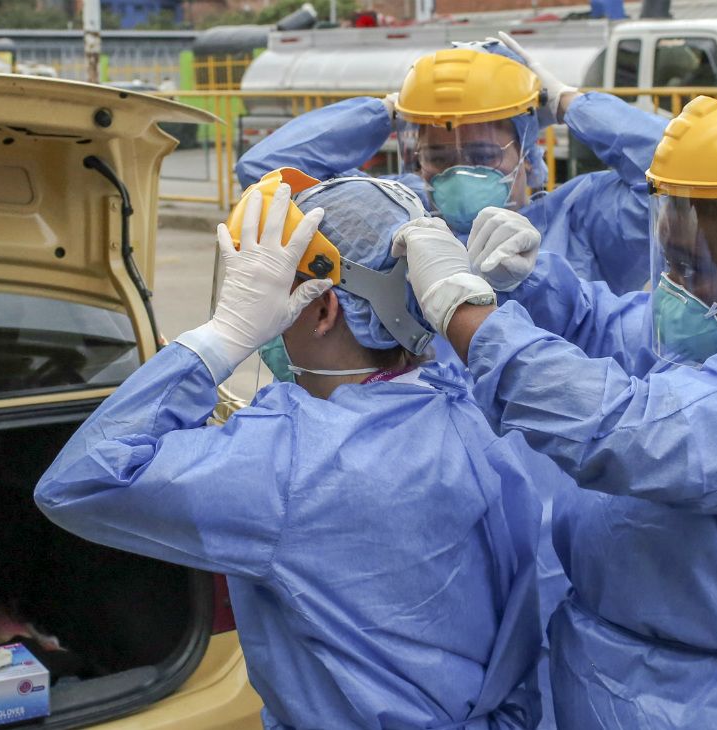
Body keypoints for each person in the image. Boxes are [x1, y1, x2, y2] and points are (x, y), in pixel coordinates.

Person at [393, 90, 717, 729]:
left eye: (693, 267)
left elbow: (627, 432)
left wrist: (467, 314)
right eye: (669, 264)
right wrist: (526, 279)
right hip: (641, 684)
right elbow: (606, 322)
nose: (676, 290)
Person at [34, 175, 543, 730]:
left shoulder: (288, 459)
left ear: (322, 309)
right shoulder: (481, 401)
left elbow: (80, 481)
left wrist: (224, 336)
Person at [236, 34, 665, 295]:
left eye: (482, 157)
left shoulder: (581, 218)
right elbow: (266, 174)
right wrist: (390, 110)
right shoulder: (400, 212)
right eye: (438, 157)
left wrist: (572, 104)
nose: (458, 171)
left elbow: (677, 174)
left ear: (527, 154)